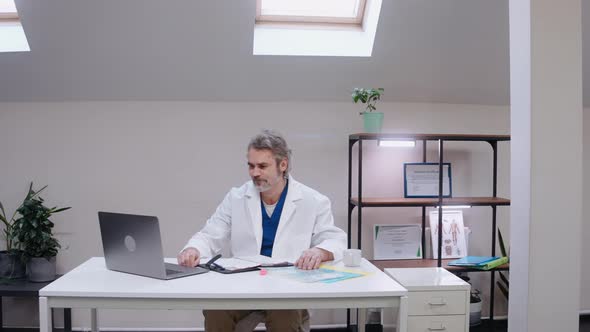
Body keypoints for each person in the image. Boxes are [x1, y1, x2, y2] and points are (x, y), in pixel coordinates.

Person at [177, 129, 347, 332]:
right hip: (243, 285)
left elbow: (335, 239)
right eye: (251, 166)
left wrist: (319, 251)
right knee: (215, 309)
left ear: (283, 165)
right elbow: (210, 233)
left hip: (287, 288)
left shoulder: (313, 200)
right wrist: (193, 249)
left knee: (285, 312)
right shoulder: (236, 197)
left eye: (262, 166)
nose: (254, 173)